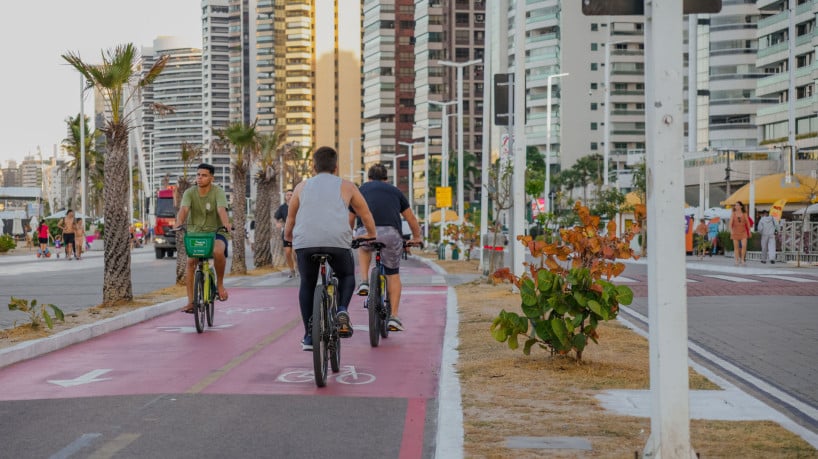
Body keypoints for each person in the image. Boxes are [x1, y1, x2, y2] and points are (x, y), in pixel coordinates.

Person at [284, 146, 377, 351]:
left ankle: (309, 336)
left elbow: (290, 218)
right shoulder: (347, 186)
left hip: (305, 242)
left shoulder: (301, 187)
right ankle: (342, 309)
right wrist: (371, 234)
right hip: (337, 242)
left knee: (307, 283)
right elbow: (366, 214)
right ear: (336, 167)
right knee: (346, 275)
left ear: (314, 166)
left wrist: (288, 239)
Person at [352, 163, 422, 332]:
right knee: (393, 274)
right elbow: (411, 218)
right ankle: (394, 317)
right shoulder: (395, 191)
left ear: (368, 178)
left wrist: (351, 236)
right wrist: (417, 237)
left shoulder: (360, 190)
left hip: (366, 232)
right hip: (391, 234)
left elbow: (350, 217)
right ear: (386, 179)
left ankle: (364, 282)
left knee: (364, 247)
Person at [176, 163, 233, 313]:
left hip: (217, 231)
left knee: (218, 252)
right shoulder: (189, 192)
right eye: (198, 175)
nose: (200, 178)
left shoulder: (218, 192)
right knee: (190, 262)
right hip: (196, 232)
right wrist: (179, 222)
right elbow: (184, 209)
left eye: (204, 175)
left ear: (211, 178)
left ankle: (219, 285)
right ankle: (191, 302)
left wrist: (226, 223)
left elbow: (221, 209)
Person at [274, 189, 297, 278]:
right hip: (287, 232)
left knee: (295, 252)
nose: (289, 196)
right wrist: (277, 223)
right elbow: (276, 217)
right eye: (287, 195)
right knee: (287, 252)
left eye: (291, 194)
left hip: (297, 231)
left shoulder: (298, 205)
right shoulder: (282, 207)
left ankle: (297, 267)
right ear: (285, 197)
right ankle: (292, 270)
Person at [729, 201, 749, 266]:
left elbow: (747, 222)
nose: (736, 206)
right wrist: (731, 231)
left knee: (744, 246)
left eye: (737, 205)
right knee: (736, 247)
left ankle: (742, 259)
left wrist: (749, 231)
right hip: (735, 232)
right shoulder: (733, 214)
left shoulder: (744, 213)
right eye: (735, 205)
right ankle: (737, 260)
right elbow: (730, 223)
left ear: (741, 206)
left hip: (743, 232)